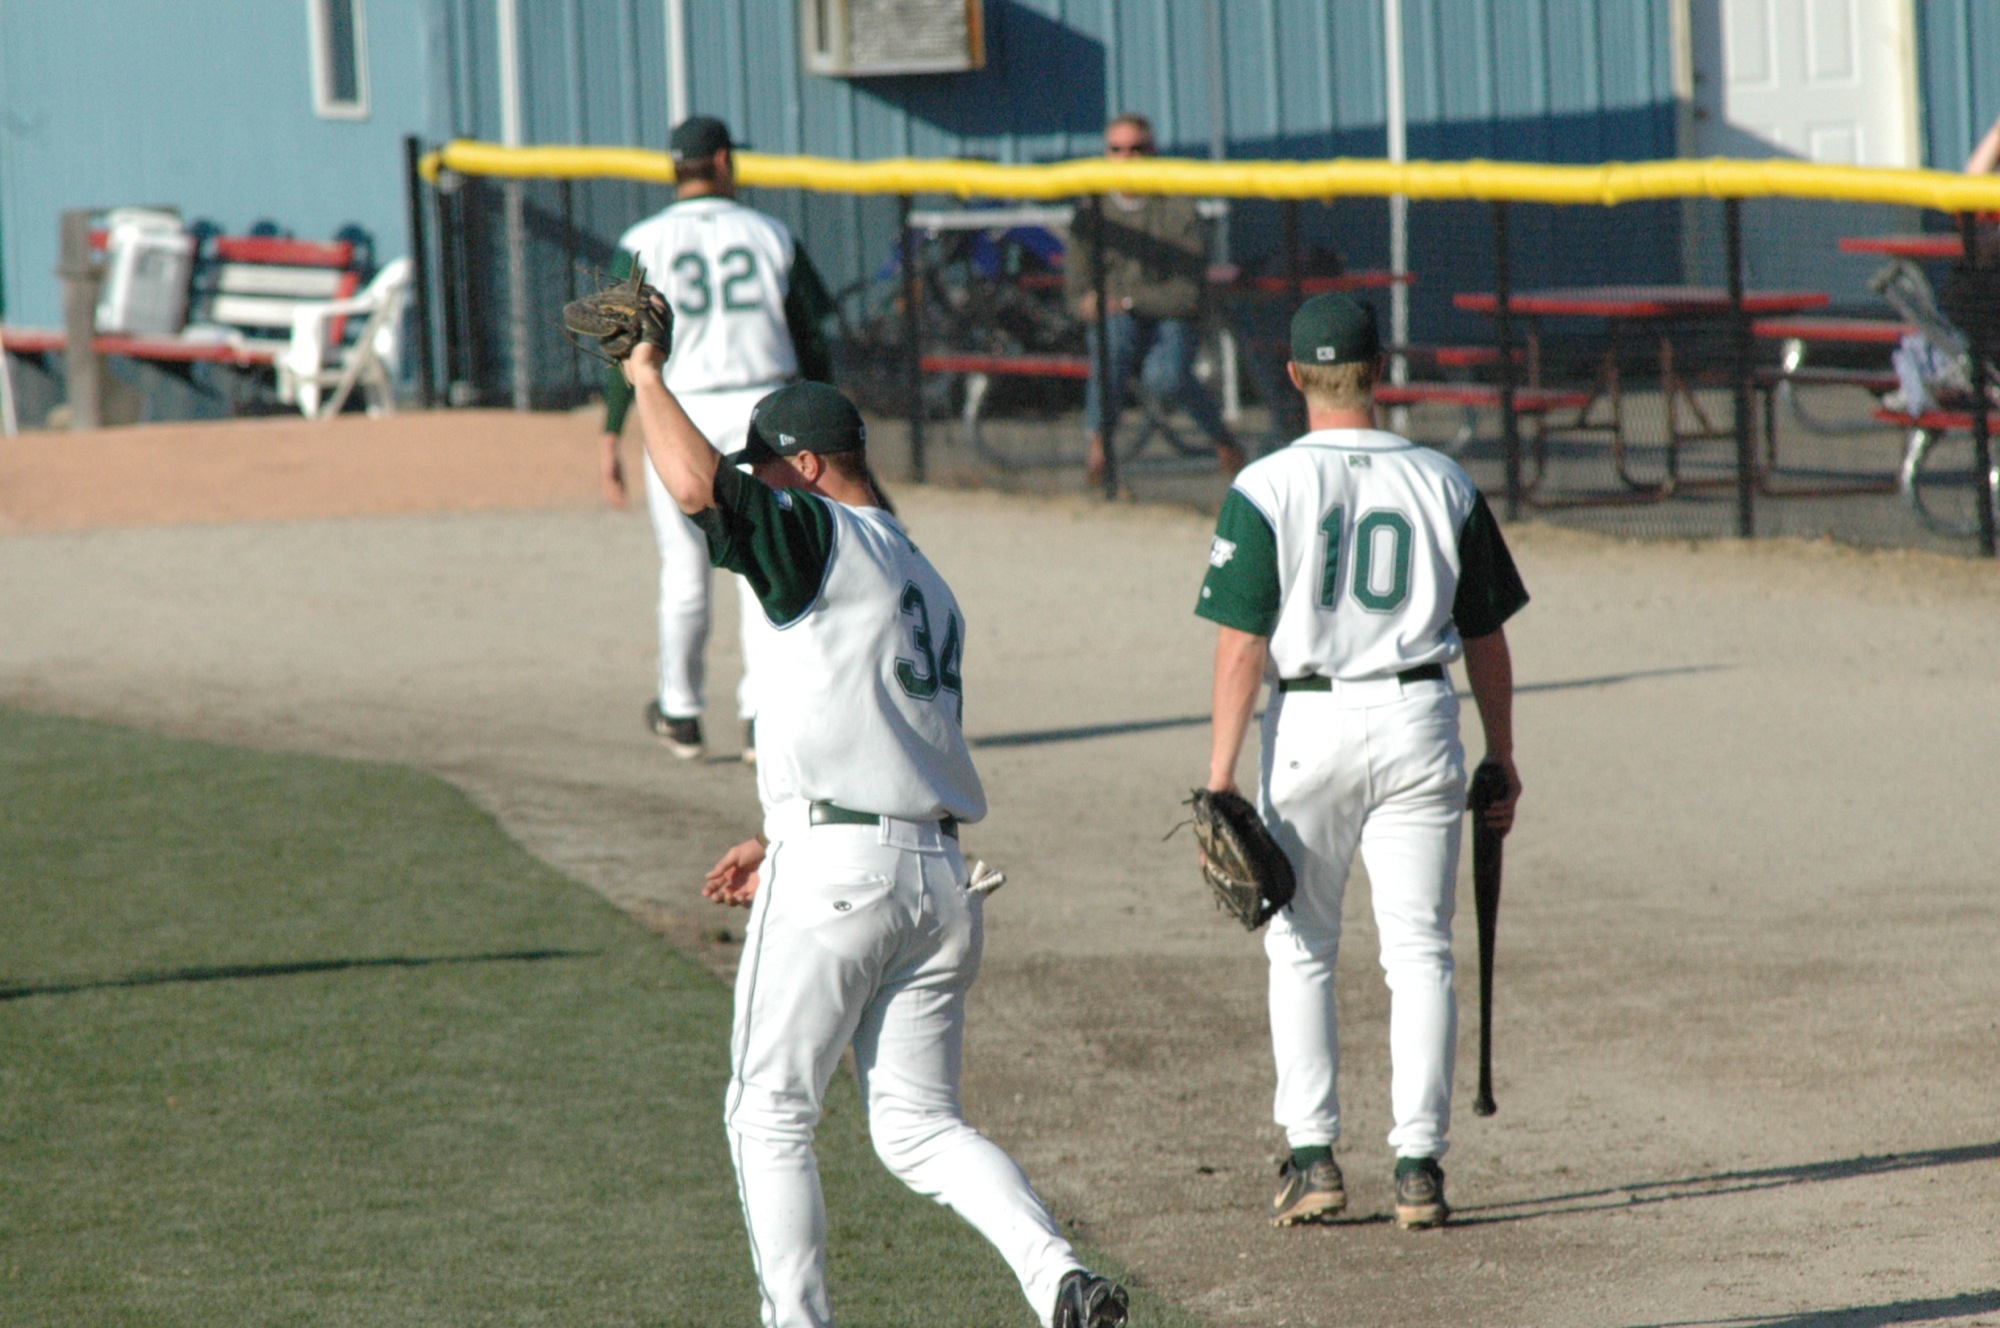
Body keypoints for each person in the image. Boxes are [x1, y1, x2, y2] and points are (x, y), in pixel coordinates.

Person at [619, 339, 1130, 1328]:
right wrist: (777, 830)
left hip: (840, 878)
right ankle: (1058, 1274)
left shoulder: (814, 529)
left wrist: (643, 377)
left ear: (803, 467)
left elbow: (693, 486)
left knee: (766, 1114)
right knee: (918, 1125)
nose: (757, 489)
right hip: (935, 880)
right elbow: (881, 724)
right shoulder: (921, 572)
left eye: (765, 469)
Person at [1192, 293, 1526, 1231]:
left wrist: (1220, 777)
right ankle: (1419, 1167)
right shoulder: (1443, 479)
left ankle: (1314, 1160)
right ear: (1381, 370)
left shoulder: (1267, 485)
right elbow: (1489, 639)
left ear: (1295, 377)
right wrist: (1502, 757)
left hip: (1308, 727)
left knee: (1302, 947)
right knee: (1420, 952)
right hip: (1424, 715)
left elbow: (1240, 648)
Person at [600, 114, 835, 761]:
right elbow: (815, 335)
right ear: (725, 160)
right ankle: (761, 718)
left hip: (677, 408)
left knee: (684, 569)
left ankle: (679, 712)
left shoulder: (641, 241)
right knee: (759, 567)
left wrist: (609, 433)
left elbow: (627, 348)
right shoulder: (769, 233)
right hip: (768, 408)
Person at [1065, 112, 1243, 484]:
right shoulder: (1091, 209)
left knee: (1166, 377)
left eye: (1137, 149)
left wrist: (1126, 299)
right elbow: (1075, 291)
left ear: (1153, 152)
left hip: (1169, 317)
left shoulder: (1176, 204)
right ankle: (1100, 449)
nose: (1127, 158)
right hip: (1120, 321)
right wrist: (1089, 304)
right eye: (1117, 150)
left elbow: (1186, 295)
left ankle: (1223, 440)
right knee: (1111, 340)